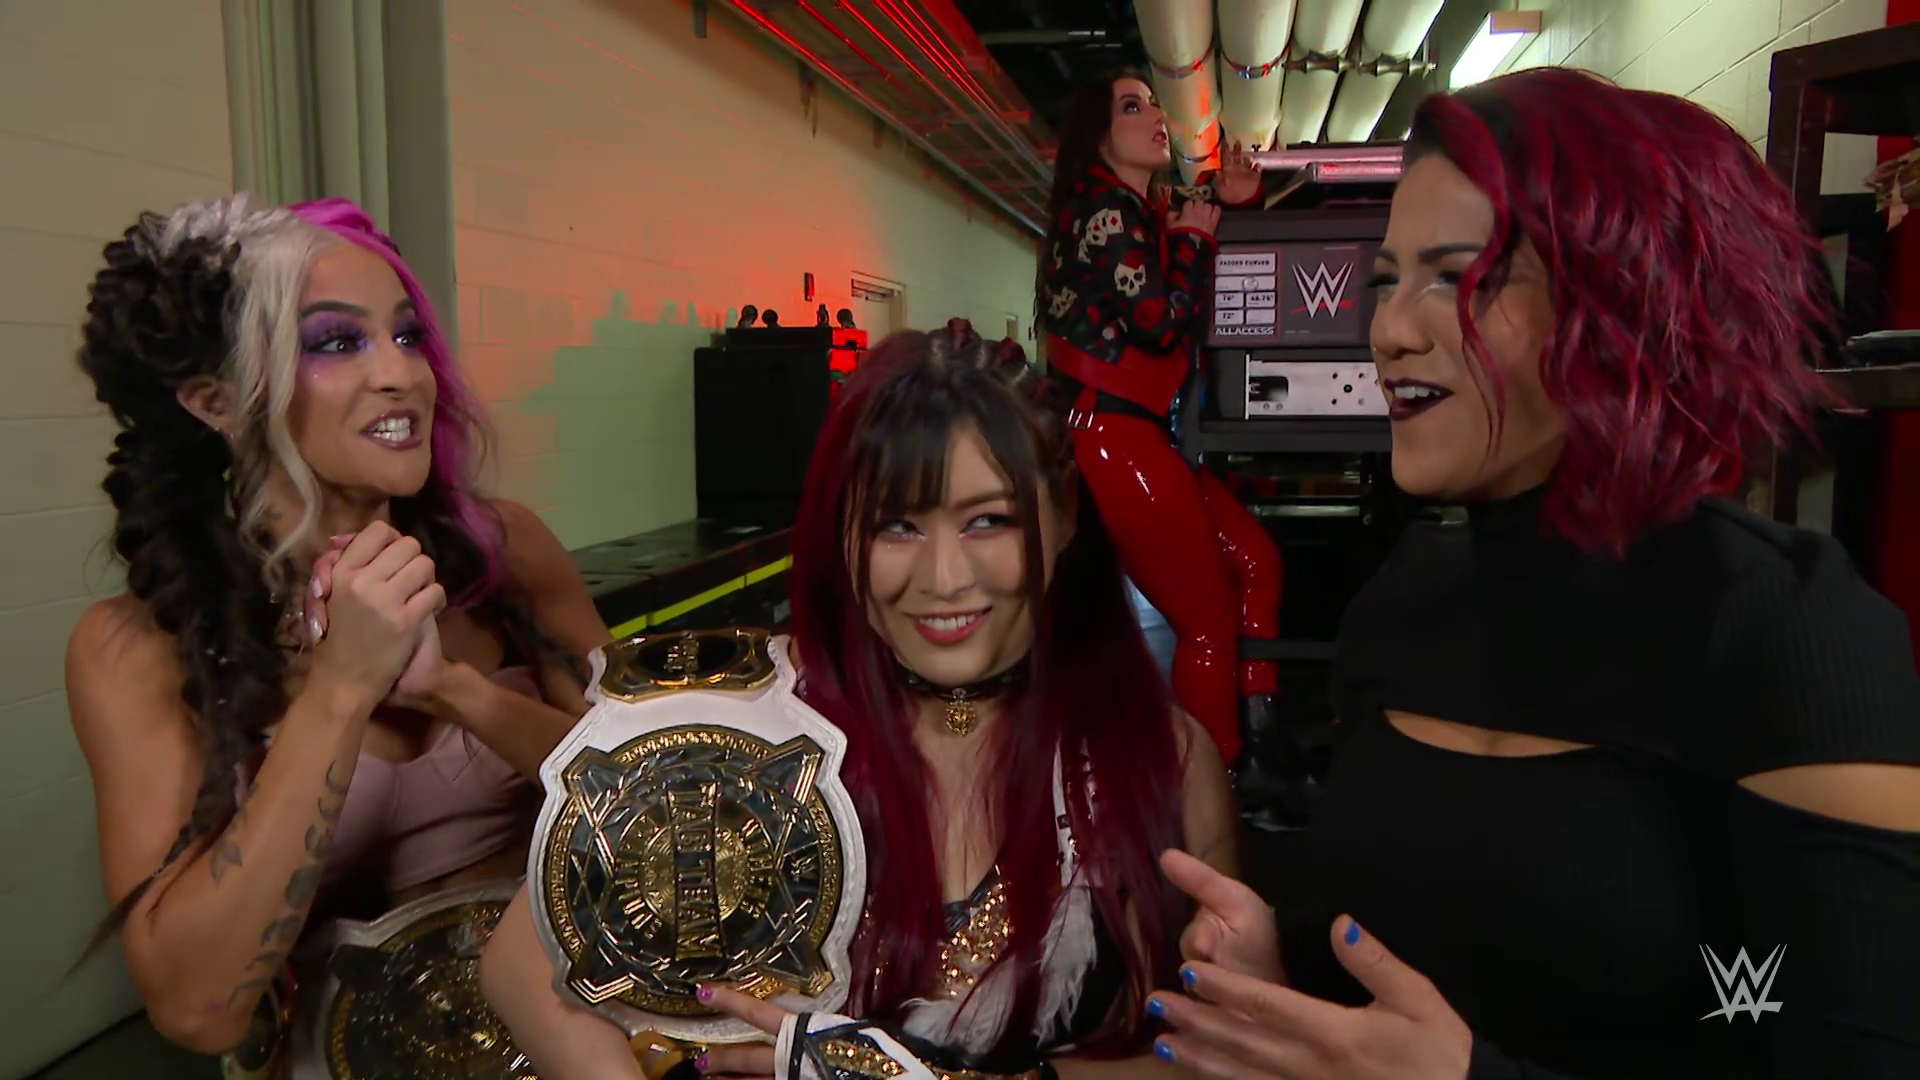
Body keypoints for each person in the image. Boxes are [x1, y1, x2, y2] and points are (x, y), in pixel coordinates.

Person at [1136, 67, 1920, 1080]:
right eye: (1387, 280)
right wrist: (1282, 978)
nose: (1390, 329)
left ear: (1621, 302)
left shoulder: (1793, 634)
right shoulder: (1404, 604)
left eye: (1458, 280)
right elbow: (1411, 978)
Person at [478, 320, 1239, 1078]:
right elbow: (521, 966)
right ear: (842, 536)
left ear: (1065, 513)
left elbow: (1211, 1055)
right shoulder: (750, 728)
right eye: (897, 526)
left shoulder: (1157, 761)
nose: (944, 579)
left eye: (989, 521)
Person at [65, 195, 607, 1071]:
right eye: (336, 342)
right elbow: (196, 1009)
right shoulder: (136, 649)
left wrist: (454, 692)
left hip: (568, 1041)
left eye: (406, 335)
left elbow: (654, 800)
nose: (403, 374)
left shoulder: (506, 551)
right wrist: (342, 689)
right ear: (217, 400)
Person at [1035, 69, 1281, 767]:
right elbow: (1157, 322)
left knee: (1256, 562)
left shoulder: (1131, 207)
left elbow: (1189, 216)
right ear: (1099, 134)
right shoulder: (1107, 211)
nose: (1156, 117)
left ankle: (1257, 732)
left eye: (1153, 104)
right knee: (1205, 624)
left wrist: (1225, 201)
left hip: (1130, 435)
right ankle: (1218, 779)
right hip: (1114, 438)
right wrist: (1199, 240)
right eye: (1132, 106)